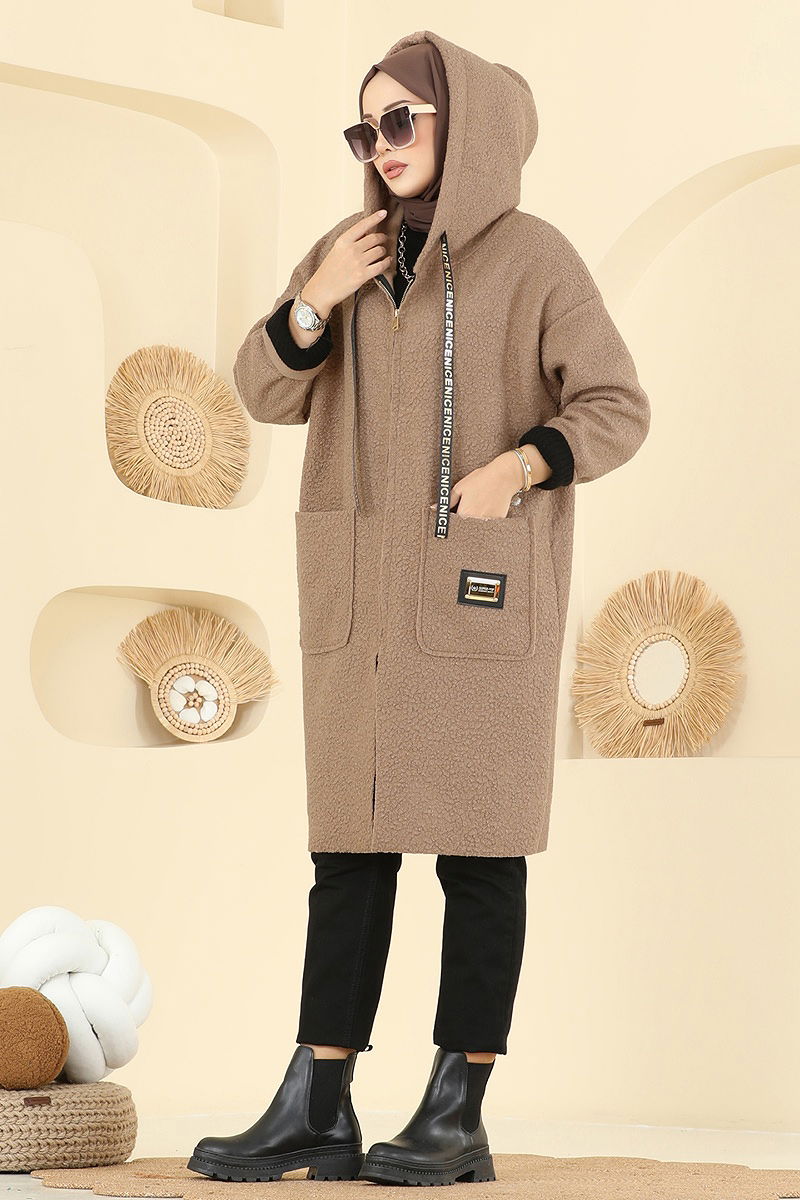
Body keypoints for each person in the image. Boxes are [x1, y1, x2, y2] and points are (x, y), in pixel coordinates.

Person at [188, 29, 650, 1188]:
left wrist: (518, 468)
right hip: (360, 604)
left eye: (400, 119)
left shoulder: (535, 259)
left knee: (480, 854)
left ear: (464, 122)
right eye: (364, 128)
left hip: (480, 599)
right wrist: (312, 300)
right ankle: (317, 1104)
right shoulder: (345, 251)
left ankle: (457, 1109)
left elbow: (614, 405)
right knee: (347, 852)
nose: (379, 146)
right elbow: (261, 390)